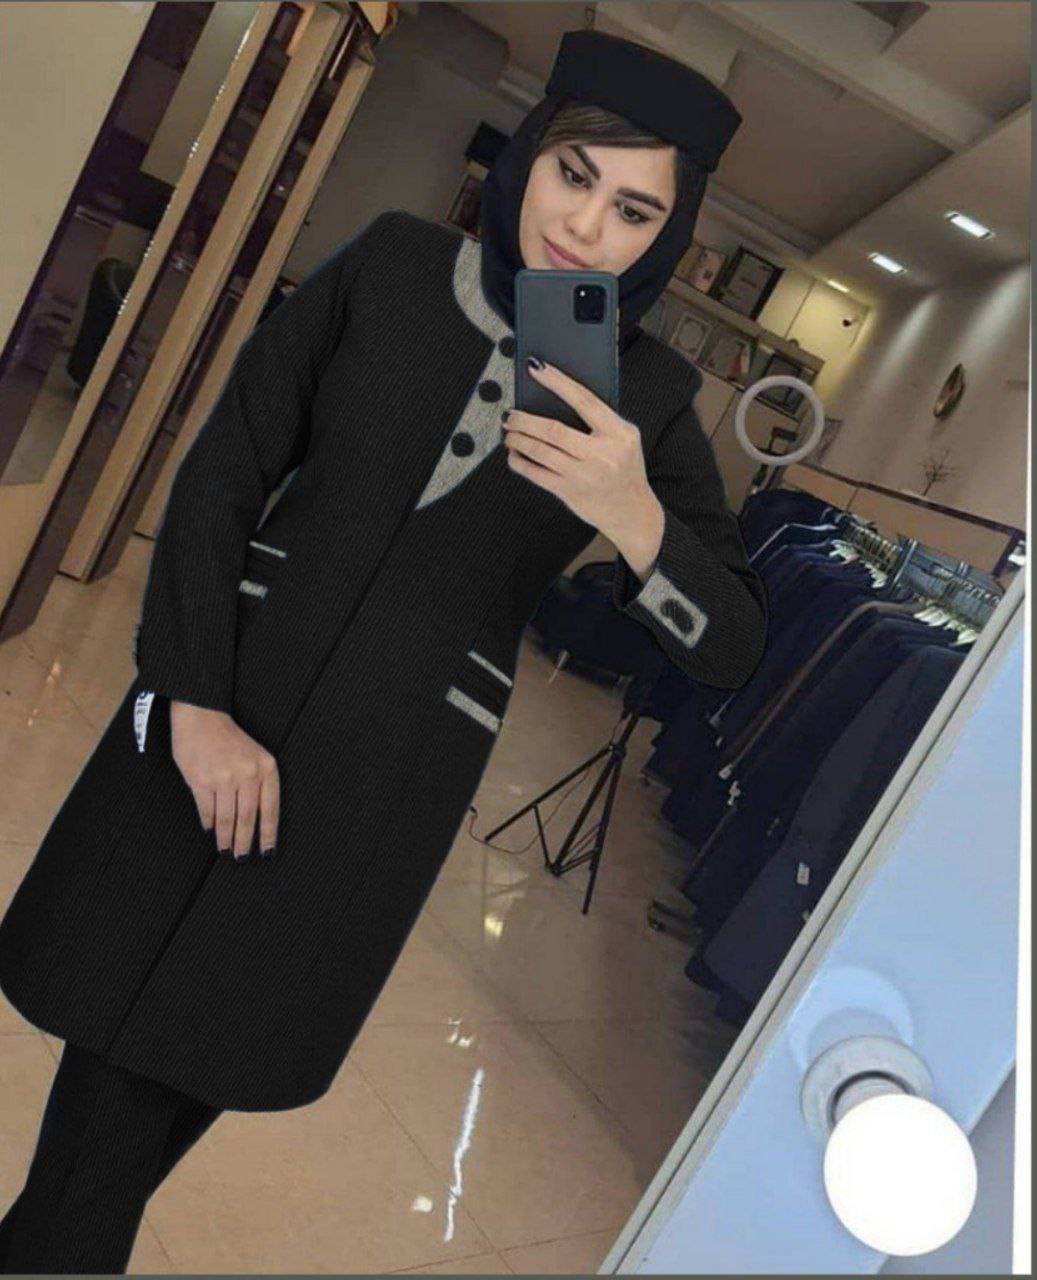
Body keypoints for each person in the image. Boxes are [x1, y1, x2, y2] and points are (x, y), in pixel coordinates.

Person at [0, 28, 767, 1274]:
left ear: (665, 237)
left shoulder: (652, 401)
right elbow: (222, 472)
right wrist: (191, 700)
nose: (585, 229)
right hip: (215, 706)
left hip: (375, 786)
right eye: (573, 176)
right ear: (529, 156)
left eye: (633, 211)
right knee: (112, 1063)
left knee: (196, 1060)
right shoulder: (394, 266)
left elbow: (729, 645)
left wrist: (633, 514)